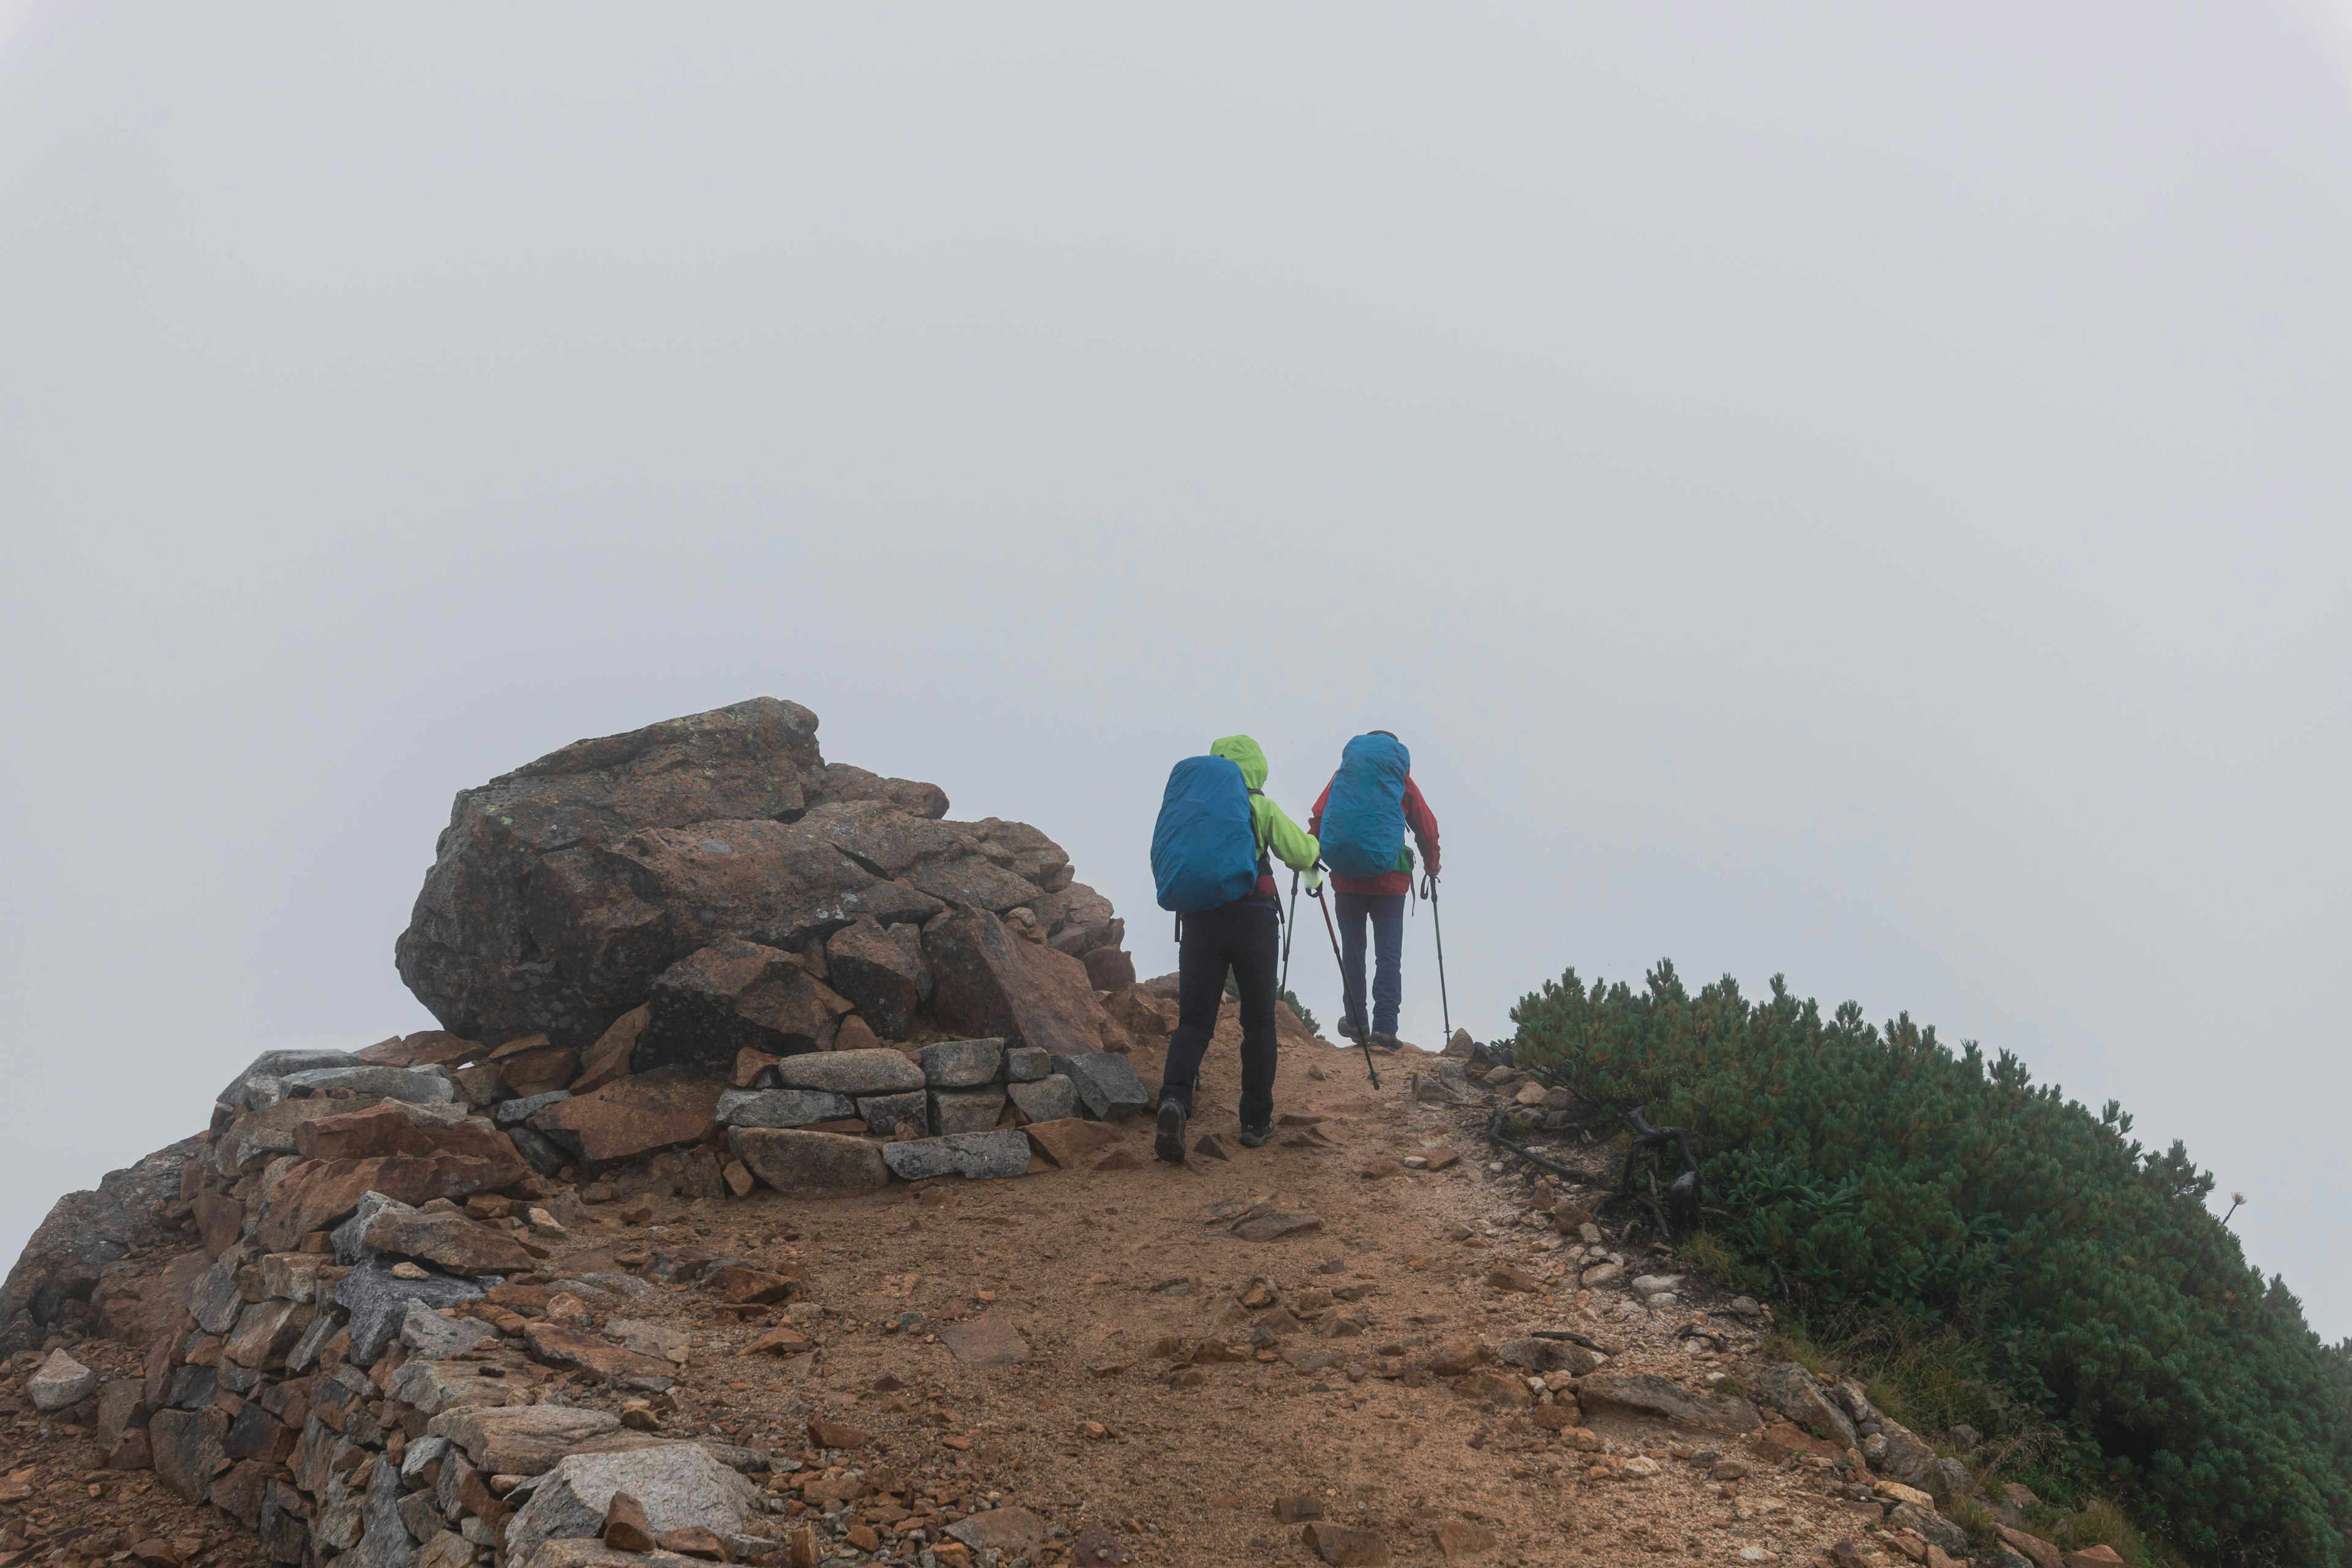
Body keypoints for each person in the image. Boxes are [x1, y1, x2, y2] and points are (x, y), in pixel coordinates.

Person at [1150, 734, 1321, 1163]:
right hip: (1254, 919)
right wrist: (1316, 851)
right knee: (1260, 1020)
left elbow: (1162, 857)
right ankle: (1255, 1121)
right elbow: (1301, 853)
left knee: (1193, 1021)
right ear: (1256, 766)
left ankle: (1173, 1102)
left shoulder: (1193, 808)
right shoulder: (1258, 805)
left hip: (1200, 920)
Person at [1308, 730, 1439, 1050]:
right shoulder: (1401, 781)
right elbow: (1427, 825)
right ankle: (1385, 1028)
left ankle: (1356, 1021)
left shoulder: (1343, 777)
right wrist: (1432, 867)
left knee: (1353, 952)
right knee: (1388, 955)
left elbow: (1319, 817)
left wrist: (1310, 859)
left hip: (1347, 879)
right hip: (1390, 881)